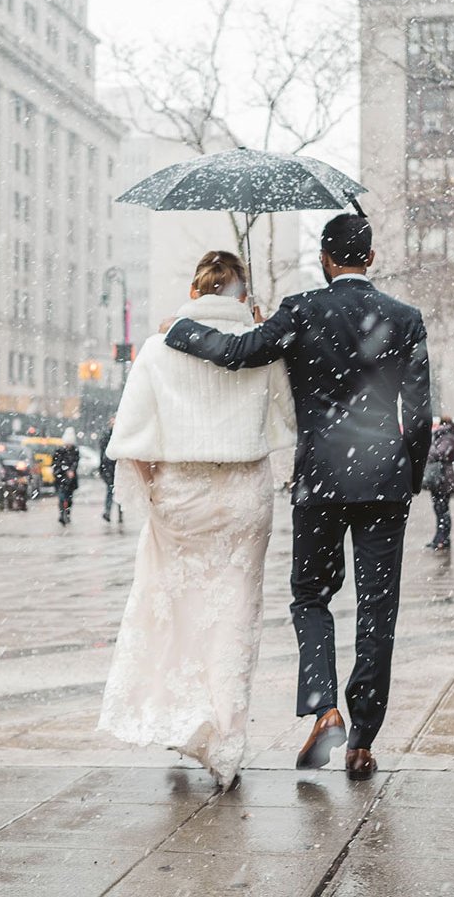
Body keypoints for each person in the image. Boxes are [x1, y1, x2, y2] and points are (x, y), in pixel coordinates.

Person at [164, 213, 431, 782]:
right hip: (385, 483)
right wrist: (409, 478)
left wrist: (182, 330)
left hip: (322, 481)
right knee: (377, 609)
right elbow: (420, 413)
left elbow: (238, 352)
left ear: (325, 259)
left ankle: (324, 705)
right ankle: (362, 740)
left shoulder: (302, 309)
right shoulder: (405, 319)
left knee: (311, 596)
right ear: (371, 258)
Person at [98, 251, 295, 790]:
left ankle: (182, 719)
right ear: (241, 294)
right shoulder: (261, 347)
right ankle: (227, 738)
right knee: (234, 615)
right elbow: (285, 426)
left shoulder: (160, 350)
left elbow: (133, 437)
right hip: (243, 496)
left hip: (181, 490)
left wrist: (160, 484)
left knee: (176, 611)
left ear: (196, 290)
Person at [424, 417, 454, 551]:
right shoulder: (445, 436)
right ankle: (440, 538)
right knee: (440, 509)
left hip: (442, 477)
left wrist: (429, 450)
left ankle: (442, 539)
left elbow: (441, 453)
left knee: (442, 509)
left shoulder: (447, 436)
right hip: (440, 477)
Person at [53, 429, 79, 526]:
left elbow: (75, 463)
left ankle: (67, 514)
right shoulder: (59, 451)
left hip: (70, 480)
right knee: (62, 497)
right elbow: (56, 464)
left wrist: (71, 471)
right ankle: (62, 515)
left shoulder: (75, 451)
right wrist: (65, 471)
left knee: (69, 499)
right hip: (61, 479)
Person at [98, 417, 119, 522]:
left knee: (118, 492)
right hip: (110, 469)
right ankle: (108, 512)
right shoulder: (107, 436)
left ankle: (119, 514)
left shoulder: (119, 435)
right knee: (111, 491)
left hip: (117, 468)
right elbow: (102, 454)